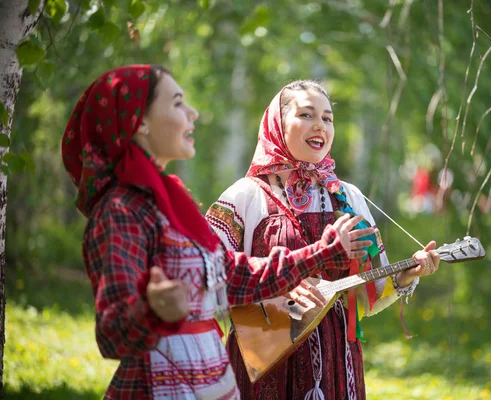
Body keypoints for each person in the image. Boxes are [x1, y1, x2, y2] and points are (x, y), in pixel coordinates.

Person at [61, 66, 375, 400]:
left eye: (328, 118)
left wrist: (324, 253)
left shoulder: (173, 202)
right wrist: (150, 310)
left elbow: (236, 277)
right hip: (158, 387)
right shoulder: (121, 211)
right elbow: (112, 335)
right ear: (140, 122)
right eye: (178, 103)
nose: (192, 113)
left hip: (210, 383)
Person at [207, 80, 441, 399]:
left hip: (337, 360)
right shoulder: (245, 196)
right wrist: (276, 288)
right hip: (264, 359)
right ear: (278, 122)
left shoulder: (347, 198)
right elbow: (206, 274)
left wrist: (405, 277)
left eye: (328, 118)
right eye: (306, 115)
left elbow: (366, 293)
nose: (320, 125)